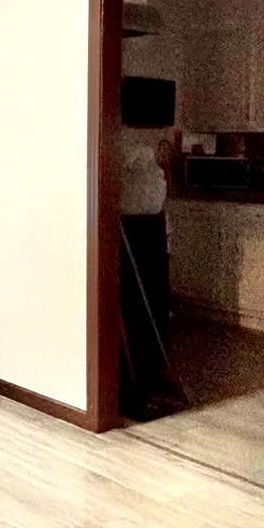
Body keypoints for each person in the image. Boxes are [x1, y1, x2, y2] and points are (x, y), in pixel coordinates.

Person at [119, 124, 182, 413]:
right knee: (137, 307)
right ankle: (139, 381)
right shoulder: (133, 167)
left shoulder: (148, 172)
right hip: (134, 232)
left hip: (149, 234)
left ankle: (154, 373)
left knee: (154, 304)